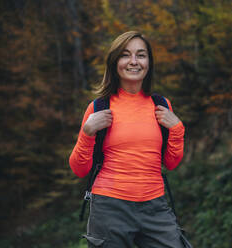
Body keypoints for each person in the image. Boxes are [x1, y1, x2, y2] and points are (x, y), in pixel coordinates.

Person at [69, 31, 190, 248]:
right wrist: (87, 133)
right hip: (109, 207)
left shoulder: (161, 105)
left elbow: (171, 163)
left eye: (141, 55)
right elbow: (79, 169)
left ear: (149, 63)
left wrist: (177, 129)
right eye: (126, 55)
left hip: (155, 206)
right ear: (115, 62)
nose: (134, 62)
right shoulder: (98, 108)